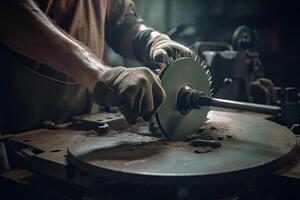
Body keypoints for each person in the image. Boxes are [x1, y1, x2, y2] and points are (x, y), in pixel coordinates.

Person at [0, 0, 196, 134]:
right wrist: (102, 74)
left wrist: (153, 41)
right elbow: (14, 13)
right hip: (19, 129)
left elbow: (120, 21)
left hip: (81, 124)